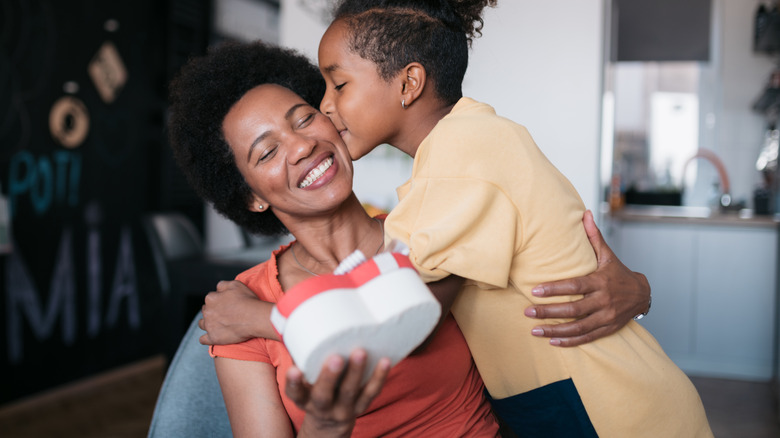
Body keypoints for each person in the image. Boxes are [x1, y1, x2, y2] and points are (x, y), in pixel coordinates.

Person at [313, 0, 713, 436]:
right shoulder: (460, 147)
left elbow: (399, 312)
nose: (326, 105)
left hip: (615, 411)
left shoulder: (463, 149)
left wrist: (257, 317)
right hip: (578, 404)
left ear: (409, 82)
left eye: (338, 84)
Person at [167, 40, 501, 437]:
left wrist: (596, 291)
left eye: (304, 119)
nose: (302, 146)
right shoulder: (239, 306)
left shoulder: (425, 228)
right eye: (268, 151)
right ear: (252, 197)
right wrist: (324, 428)